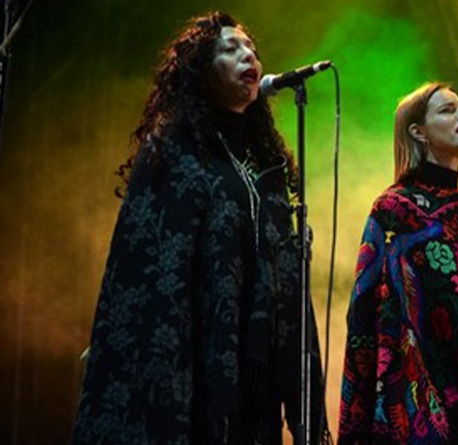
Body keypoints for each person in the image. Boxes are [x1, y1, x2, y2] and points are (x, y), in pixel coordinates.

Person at [72, 11, 328, 444]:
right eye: (230, 49)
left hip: (252, 367)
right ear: (200, 71)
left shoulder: (265, 161)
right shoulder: (172, 149)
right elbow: (146, 264)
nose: (247, 55)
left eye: (251, 49)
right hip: (190, 361)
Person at [338, 82, 458, 444]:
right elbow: (365, 311)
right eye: (447, 110)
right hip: (418, 392)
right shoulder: (394, 210)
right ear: (418, 132)